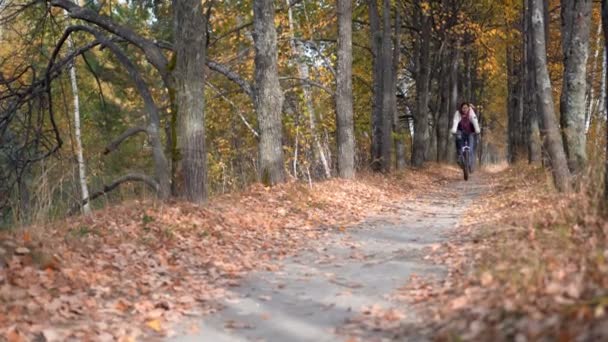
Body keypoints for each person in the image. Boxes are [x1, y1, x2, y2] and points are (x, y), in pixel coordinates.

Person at [451, 102, 481, 171]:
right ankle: (459, 157)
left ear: (468, 108)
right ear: (461, 108)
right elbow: (455, 121)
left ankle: (470, 164)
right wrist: (454, 130)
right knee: (458, 141)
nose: (464, 109)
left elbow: (475, 121)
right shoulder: (458, 113)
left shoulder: (471, 113)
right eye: (463, 108)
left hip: (470, 132)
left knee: (471, 147)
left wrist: (477, 130)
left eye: (466, 108)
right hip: (461, 131)